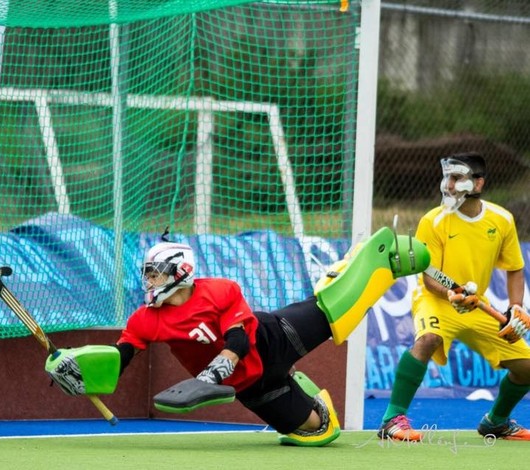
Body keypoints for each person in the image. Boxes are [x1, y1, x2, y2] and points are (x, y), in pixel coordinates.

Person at [46, 226, 430, 447]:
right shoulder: (146, 319)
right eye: (147, 274)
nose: (148, 281)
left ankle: (369, 261)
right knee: (319, 431)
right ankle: (300, 388)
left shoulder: (221, 290)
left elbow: (238, 342)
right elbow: (121, 357)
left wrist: (212, 375)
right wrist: (79, 369)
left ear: (179, 272)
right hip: (251, 385)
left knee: (335, 312)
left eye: (155, 273)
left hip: (272, 338)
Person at [377, 152, 530, 442]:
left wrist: (514, 308)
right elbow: (429, 275)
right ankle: (391, 420)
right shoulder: (433, 221)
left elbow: (515, 269)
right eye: (447, 176)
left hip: (476, 304)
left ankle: (496, 422)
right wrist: (453, 294)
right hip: (436, 299)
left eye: (457, 177)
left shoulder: (502, 220)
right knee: (428, 340)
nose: (448, 184)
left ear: (479, 183)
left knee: (526, 368)